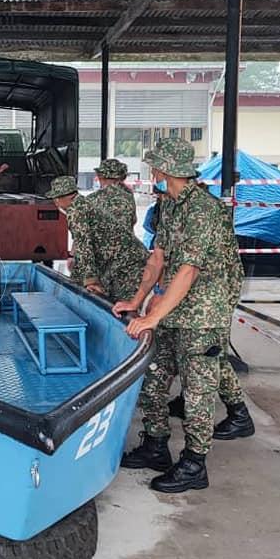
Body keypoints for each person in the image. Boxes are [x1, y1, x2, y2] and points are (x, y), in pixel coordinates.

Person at [113, 137, 252, 493]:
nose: (153, 171)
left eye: (156, 166)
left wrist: (152, 318)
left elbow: (188, 270)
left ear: (167, 169)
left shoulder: (204, 210)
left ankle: (194, 463)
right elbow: (158, 258)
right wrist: (137, 299)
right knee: (153, 378)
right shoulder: (170, 205)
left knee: (197, 390)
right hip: (174, 307)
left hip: (204, 312)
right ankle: (156, 444)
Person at [85, 158, 149, 301]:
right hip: (131, 263)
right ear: (122, 177)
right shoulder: (128, 197)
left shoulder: (90, 200)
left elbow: (83, 236)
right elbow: (131, 225)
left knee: (100, 305)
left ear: (100, 177)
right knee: (127, 307)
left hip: (103, 264)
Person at [44, 176, 104, 296]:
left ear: (64, 197)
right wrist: (72, 255)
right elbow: (80, 237)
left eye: (56, 199)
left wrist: (90, 280)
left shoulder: (75, 211)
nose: (56, 203)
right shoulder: (83, 203)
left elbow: (84, 244)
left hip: (122, 262)